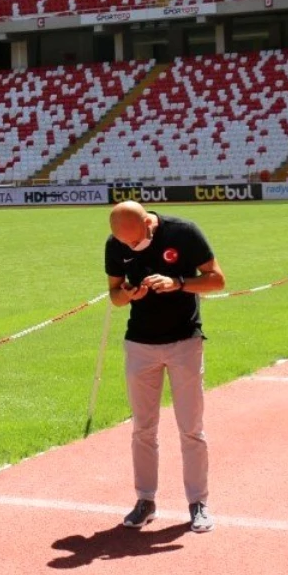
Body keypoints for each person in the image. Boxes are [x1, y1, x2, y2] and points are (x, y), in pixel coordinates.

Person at [104, 200, 226, 533]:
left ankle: (198, 503)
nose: (132, 247)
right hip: (140, 344)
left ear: (148, 223)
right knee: (143, 428)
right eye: (126, 243)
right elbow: (114, 294)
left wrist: (179, 283)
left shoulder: (183, 232)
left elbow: (217, 280)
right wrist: (129, 294)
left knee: (191, 428)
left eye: (136, 240)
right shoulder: (116, 244)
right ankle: (145, 501)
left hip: (184, 342)